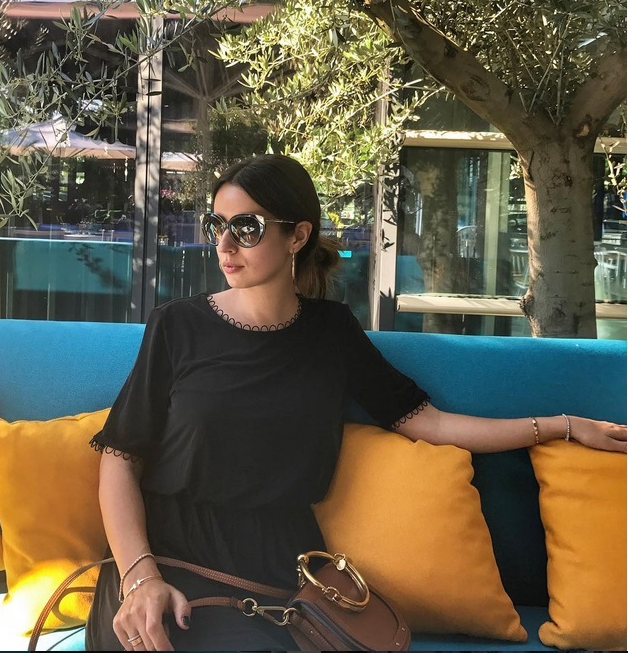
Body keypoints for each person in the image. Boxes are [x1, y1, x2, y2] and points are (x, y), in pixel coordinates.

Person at [85, 154, 626, 652]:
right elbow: (120, 456)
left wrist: (561, 425)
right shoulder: (178, 326)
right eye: (217, 226)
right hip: (166, 558)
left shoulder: (331, 332)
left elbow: (428, 422)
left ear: (298, 236)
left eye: (246, 228)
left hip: (283, 570)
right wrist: (140, 576)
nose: (225, 245)